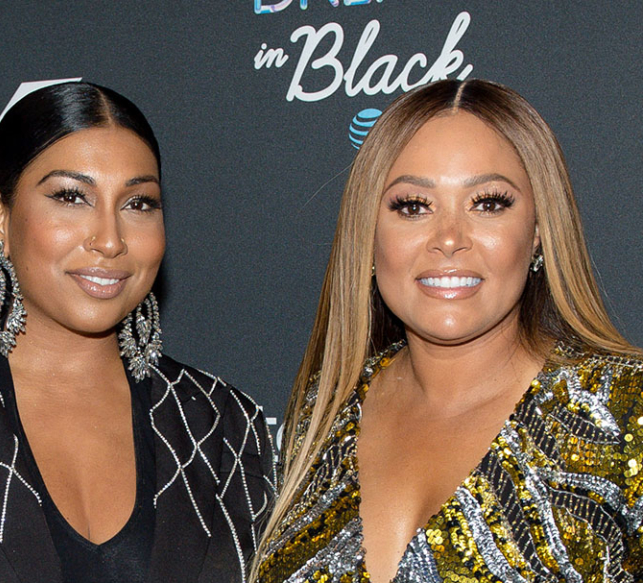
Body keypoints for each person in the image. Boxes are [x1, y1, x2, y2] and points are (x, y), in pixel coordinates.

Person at [0, 82, 275, 583]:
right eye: (71, 197)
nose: (110, 239)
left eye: (138, 204)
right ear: (0, 219)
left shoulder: (224, 427)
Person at [252, 79, 643, 582]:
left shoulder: (626, 412)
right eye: (413, 206)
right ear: (367, 236)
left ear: (541, 231)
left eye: (488, 203)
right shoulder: (324, 414)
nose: (450, 239)